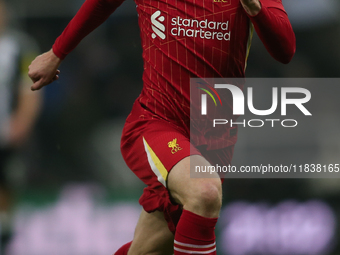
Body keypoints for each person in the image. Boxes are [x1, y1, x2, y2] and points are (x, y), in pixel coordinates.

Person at [28, 0, 295, 254]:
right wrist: (57, 52)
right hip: (157, 123)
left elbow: (285, 50)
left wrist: (254, 6)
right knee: (204, 191)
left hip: (215, 140)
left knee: (147, 250)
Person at [0, 0, 41, 250]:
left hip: (5, 133)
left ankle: (5, 234)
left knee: (6, 183)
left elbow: (30, 87)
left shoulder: (20, 47)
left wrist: (23, 120)